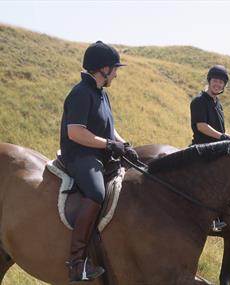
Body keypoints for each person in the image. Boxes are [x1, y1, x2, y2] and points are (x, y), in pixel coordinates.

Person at [60, 41, 138, 282]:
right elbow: (76, 132)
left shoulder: (101, 93)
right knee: (96, 192)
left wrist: (124, 145)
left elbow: (109, 129)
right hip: (79, 155)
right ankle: (76, 263)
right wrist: (108, 145)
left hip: (98, 153)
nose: (116, 73)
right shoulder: (81, 93)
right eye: (115, 69)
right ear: (103, 69)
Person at [190, 65, 230, 231]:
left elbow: (220, 131)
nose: (217, 84)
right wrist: (225, 138)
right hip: (202, 149)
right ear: (209, 81)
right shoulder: (199, 101)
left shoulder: (218, 105)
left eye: (221, 82)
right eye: (215, 81)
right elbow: (202, 126)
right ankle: (207, 218)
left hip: (218, 150)